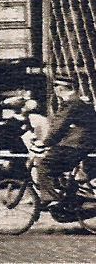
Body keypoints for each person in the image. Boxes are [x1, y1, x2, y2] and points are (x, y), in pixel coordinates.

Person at [34, 74, 96, 205]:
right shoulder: (81, 101)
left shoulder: (71, 103)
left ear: (60, 89)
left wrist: (44, 142)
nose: (55, 90)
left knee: (44, 165)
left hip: (75, 145)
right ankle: (68, 196)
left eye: (55, 87)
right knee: (59, 167)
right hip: (84, 144)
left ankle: (51, 199)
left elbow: (59, 126)